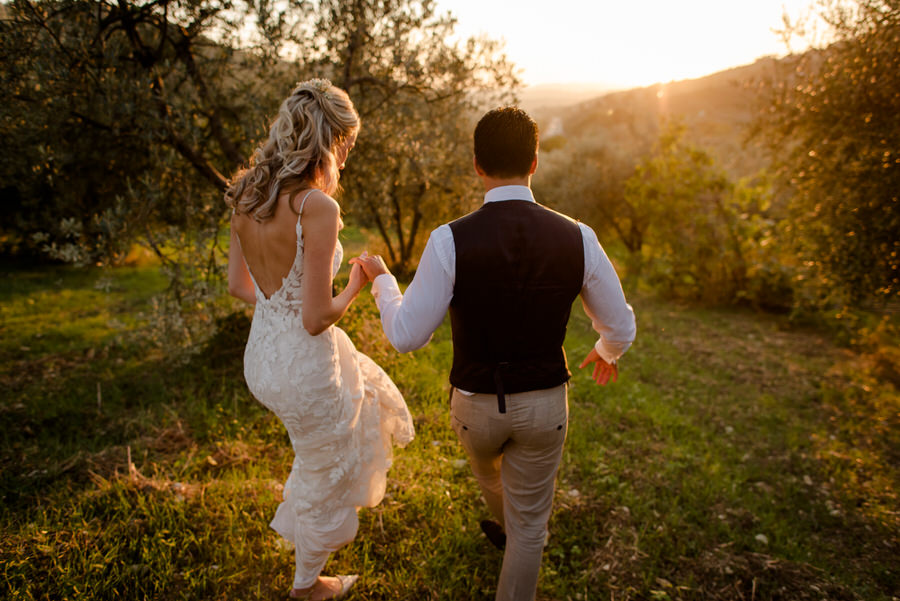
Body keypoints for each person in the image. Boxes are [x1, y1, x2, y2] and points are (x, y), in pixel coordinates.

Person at [355, 107, 636, 601]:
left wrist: (382, 283)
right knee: (531, 529)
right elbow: (620, 325)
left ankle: (507, 523)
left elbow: (406, 336)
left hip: (475, 407)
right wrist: (606, 351)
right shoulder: (579, 237)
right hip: (546, 405)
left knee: (489, 472)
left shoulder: (449, 240)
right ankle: (516, 534)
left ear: (477, 165)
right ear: (534, 161)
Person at [225, 78, 414, 601]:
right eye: (346, 147)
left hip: (261, 359)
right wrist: (357, 284)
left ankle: (306, 557)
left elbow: (239, 286)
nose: (346, 159)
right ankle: (307, 585)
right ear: (331, 142)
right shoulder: (316, 208)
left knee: (335, 437)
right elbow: (314, 318)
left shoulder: (247, 192)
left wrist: (278, 306)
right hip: (303, 369)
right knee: (329, 470)